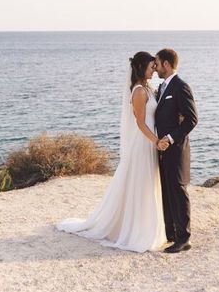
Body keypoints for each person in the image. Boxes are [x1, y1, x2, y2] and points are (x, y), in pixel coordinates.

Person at [56, 51, 167, 252]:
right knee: (140, 183)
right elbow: (140, 123)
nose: (154, 70)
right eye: (152, 67)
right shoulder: (139, 91)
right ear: (142, 68)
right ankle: (135, 229)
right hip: (143, 142)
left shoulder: (149, 88)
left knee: (147, 183)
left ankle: (146, 224)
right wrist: (156, 141)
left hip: (149, 141)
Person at [154, 48, 198, 253]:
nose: (155, 68)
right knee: (167, 190)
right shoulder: (162, 87)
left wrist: (170, 139)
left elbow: (192, 120)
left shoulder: (181, 87)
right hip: (162, 150)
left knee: (179, 192)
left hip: (176, 148)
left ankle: (184, 238)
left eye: (158, 63)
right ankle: (171, 234)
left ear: (167, 64)